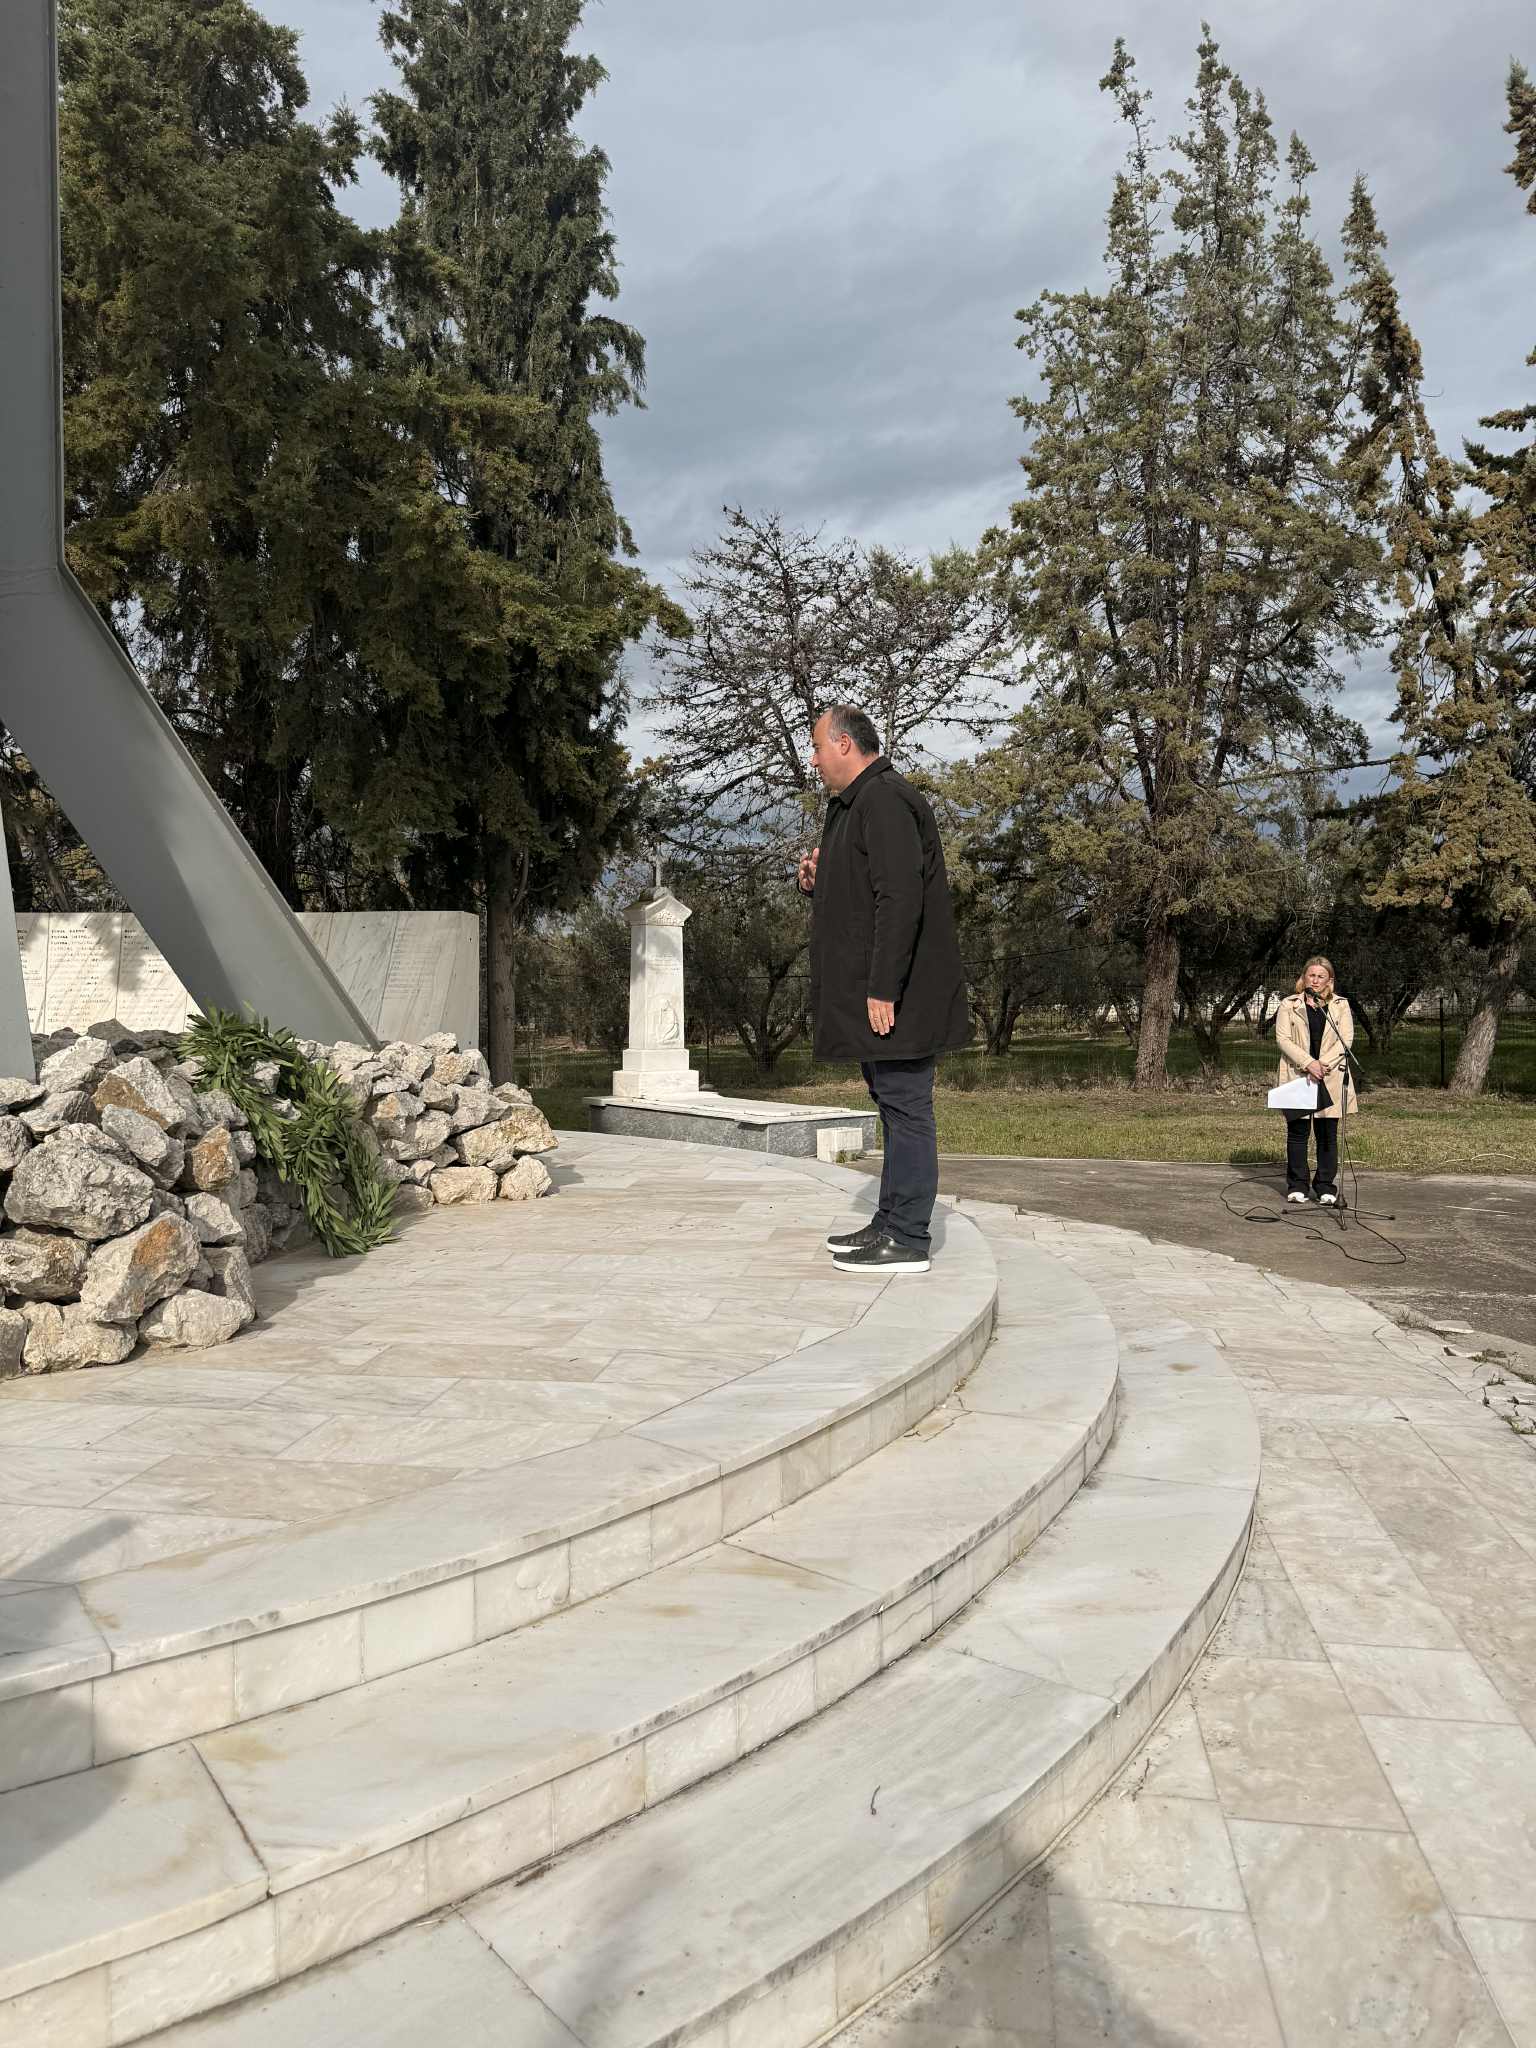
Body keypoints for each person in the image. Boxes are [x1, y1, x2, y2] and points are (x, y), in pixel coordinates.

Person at [798, 705, 970, 1273]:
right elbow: (863, 892)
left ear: (845, 745)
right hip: (883, 992)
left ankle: (909, 1238)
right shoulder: (855, 807)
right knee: (891, 1107)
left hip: (903, 994)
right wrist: (819, 881)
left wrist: (883, 988)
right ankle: (889, 1222)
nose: (815, 759)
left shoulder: (886, 799)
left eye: (819, 747)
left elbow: (901, 899)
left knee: (908, 1108)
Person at [1274, 957, 1357, 1205]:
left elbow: (1346, 1040)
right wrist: (1308, 1064)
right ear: (1304, 977)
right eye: (1312, 975)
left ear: (1329, 980)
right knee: (1298, 1132)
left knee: (1327, 1134)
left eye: (1321, 976)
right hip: (1297, 1074)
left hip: (1330, 1076)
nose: (1316, 980)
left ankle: (1325, 1187)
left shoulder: (1341, 1005)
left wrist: (1323, 1065)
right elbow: (1283, 1039)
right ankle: (1297, 1186)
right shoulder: (1288, 1004)